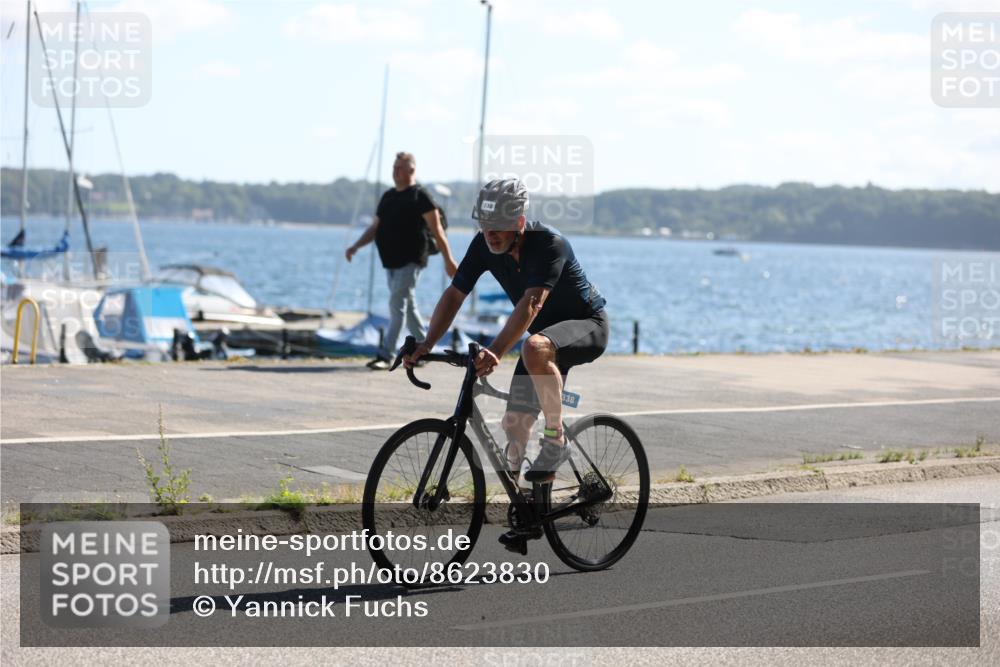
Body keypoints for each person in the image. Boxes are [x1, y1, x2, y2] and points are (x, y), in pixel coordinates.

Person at [404, 178, 608, 549]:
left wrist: (496, 351)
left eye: (497, 225)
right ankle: (530, 512)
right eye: (483, 224)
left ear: (518, 221)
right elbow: (454, 294)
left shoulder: (550, 244)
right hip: (539, 341)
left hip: (586, 326)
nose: (489, 234)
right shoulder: (484, 245)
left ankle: (556, 437)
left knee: (533, 347)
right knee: (514, 424)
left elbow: (532, 305)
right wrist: (426, 344)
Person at [346, 152, 458, 370]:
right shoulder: (388, 197)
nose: (396, 172)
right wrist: (356, 246)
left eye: (400, 168)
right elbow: (374, 228)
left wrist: (449, 261)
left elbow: (437, 231)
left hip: (412, 261)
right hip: (390, 262)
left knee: (396, 305)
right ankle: (423, 349)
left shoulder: (420, 197)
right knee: (408, 306)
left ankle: (386, 355)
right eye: (394, 167)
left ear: (412, 170)